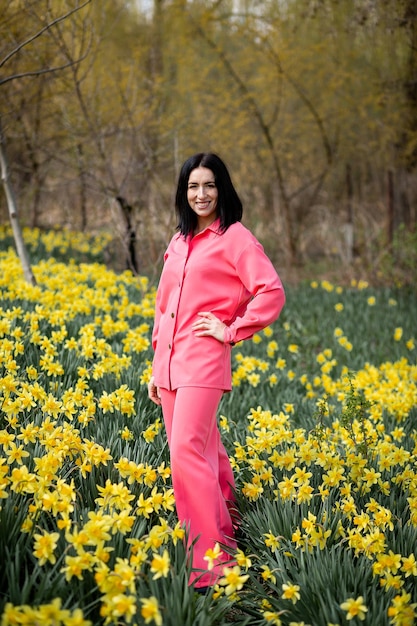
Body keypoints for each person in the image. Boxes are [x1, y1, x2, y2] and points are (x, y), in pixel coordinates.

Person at [148, 152, 285, 591]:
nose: (201, 194)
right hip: (170, 364)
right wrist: (155, 366)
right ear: (183, 193)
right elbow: (163, 306)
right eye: (193, 187)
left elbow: (271, 291)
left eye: (208, 186)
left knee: (185, 453)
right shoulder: (179, 240)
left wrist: (231, 329)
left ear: (221, 189)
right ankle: (230, 531)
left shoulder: (236, 238)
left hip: (204, 361)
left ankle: (213, 568)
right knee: (204, 453)